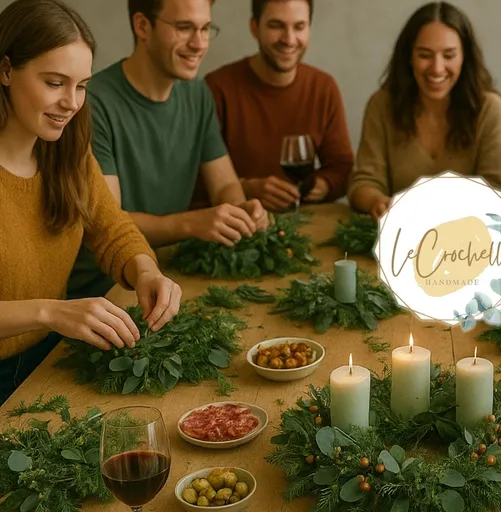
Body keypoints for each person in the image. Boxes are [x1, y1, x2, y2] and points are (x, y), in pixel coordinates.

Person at [0, 0, 182, 404]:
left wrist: (146, 271)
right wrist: (51, 312)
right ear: (6, 70)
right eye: (54, 83)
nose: (71, 102)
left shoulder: (67, 153)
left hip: (48, 361)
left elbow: (113, 228)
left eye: (81, 86)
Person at [66, 0, 268, 300]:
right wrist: (190, 223)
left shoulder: (197, 94)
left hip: (172, 275)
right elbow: (109, 223)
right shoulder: (92, 104)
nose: (199, 44)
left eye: (205, 29)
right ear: (142, 26)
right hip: (104, 292)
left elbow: (225, 184)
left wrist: (239, 212)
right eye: (184, 28)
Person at [347, 1, 501, 221]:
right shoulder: (381, 105)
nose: (437, 68)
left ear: (465, 58)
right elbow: (363, 182)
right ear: (409, 58)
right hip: (398, 239)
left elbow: (495, 190)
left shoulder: (489, 108)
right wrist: (376, 201)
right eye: (425, 55)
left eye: (449, 55)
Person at [201, 0, 354, 212]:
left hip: (306, 222)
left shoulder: (323, 87)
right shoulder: (217, 87)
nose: (289, 39)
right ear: (254, 28)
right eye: (276, 26)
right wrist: (247, 188)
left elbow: (344, 169)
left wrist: (320, 186)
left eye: (299, 27)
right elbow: (194, 181)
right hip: (241, 223)